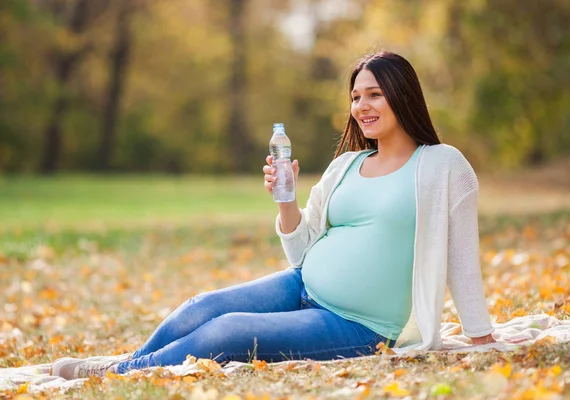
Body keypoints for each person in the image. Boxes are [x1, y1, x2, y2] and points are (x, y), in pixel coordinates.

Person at [51, 50, 495, 380]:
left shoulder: (442, 165)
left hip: (358, 324)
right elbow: (300, 253)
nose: (362, 106)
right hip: (302, 285)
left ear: (403, 95)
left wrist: (481, 339)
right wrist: (286, 202)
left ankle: (114, 375)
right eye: (356, 96)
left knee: (227, 332)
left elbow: (461, 257)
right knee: (201, 306)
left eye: (375, 94)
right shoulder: (346, 165)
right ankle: (125, 365)